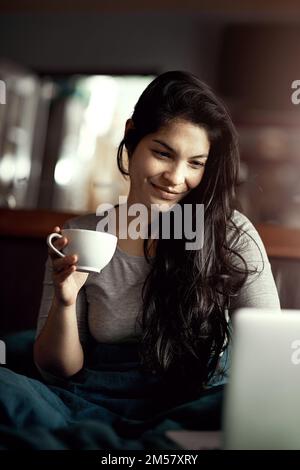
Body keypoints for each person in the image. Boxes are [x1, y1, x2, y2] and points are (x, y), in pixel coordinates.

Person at [34, 70, 280, 399]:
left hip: (192, 402)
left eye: (195, 163)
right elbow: (58, 370)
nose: (175, 178)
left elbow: (272, 352)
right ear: (132, 135)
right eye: (163, 154)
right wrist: (65, 302)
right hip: (99, 398)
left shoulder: (230, 233)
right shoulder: (81, 233)